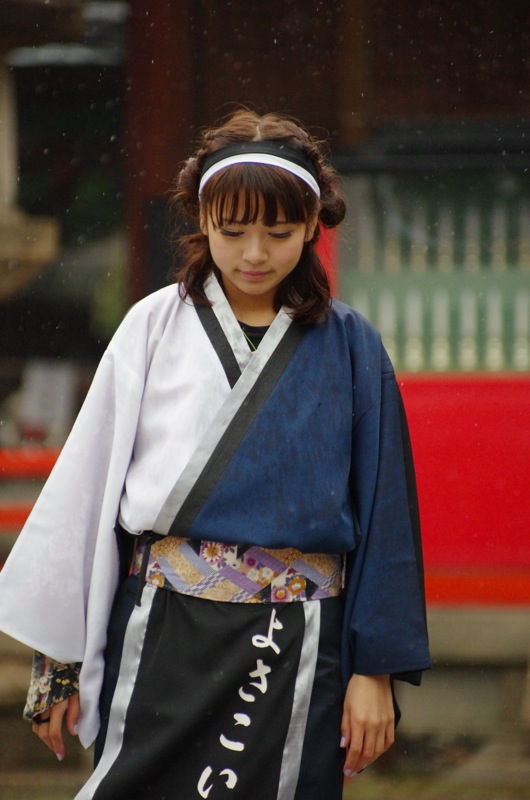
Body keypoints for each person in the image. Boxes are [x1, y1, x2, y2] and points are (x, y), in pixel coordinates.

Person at [0, 109, 430, 800]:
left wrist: (372, 672)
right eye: (234, 232)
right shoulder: (151, 326)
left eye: (279, 232)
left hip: (299, 643)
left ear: (313, 225)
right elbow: (84, 494)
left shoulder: (352, 346)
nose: (255, 252)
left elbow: (386, 515)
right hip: (162, 633)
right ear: (202, 222)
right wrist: (59, 663)